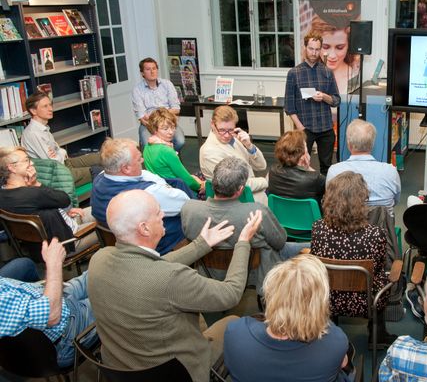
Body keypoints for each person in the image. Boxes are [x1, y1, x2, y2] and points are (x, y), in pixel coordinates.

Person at [88, 189, 262, 381]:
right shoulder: (170, 279)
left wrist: (201, 245)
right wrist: (244, 242)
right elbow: (230, 294)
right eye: (157, 212)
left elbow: (153, 265)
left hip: (121, 368)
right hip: (178, 373)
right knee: (232, 321)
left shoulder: (99, 258)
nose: (163, 214)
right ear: (144, 228)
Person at [181, 157, 308, 297]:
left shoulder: (189, 209)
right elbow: (280, 241)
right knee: (311, 245)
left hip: (210, 274)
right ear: (241, 189)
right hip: (257, 273)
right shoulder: (256, 212)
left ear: (214, 183)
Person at [224, 254, 350, 382]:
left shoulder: (235, 332)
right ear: (319, 304)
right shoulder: (335, 342)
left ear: (270, 294)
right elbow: (343, 363)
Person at [311, 171, 395, 347]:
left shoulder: (318, 229)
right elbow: (379, 268)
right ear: (362, 201)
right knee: (381, 276)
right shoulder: (375, 234)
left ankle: (329, 332)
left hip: (328, 298)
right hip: (367, 301)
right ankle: (377, 335)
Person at [0, 238, 97, 368]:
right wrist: (54, 264)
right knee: (116, 292)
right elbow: (52, 315)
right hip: (67, 333)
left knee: (100, 267)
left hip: (51, 300)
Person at [91, 138, 190, 254]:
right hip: (157, 246)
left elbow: (144, 174)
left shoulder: (100, 177)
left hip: (117, 244)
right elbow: (185, 203)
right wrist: (163, 185)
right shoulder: (148, 193)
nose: (142, 160)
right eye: (138, 159)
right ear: (126, 168)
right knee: (193, 212)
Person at [0, 146, 97, 254]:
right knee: (109, 222)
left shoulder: (3, 194)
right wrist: (35, 184)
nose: (31, 163)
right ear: (12, 168)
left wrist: (62, 212)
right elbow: (65, 199)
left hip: (44, 245)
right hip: (69, 241)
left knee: (100, 210)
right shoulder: (32, 193)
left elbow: (40, 213)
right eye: (26, 160)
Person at [285, 30, 341, 175]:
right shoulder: (294, 73)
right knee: (300, 166)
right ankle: (302, 195)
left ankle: (325, 196)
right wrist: (301, 128)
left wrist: (324, 96)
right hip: (305, 129)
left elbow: (336, 100)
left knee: (326, 167)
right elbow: (289, 107)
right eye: (311, 49)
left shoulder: (327, 72)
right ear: (305, 48)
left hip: (326, 128)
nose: (314, 53)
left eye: (317, 49)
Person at [21, 91, 102, 187]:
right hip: (58, 175)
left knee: (102, 158)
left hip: (64, 163)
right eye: (45, 106)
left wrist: (59, 153)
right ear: (33, 111)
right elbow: (54, 162)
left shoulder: (43, 128)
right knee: (101, 170)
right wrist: (61, 152)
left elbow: (57, 152)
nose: (50, 109)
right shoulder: (33, 133)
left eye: (50, 105)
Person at [327, 119, 401, 214]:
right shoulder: (391, 171)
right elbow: (395, 201)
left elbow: (331, 201)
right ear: (372, 144)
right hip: (382, 226)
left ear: (349, 144)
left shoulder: (334, 171)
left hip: (346, 227)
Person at [199, 105, 268, 204]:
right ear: (212, 125)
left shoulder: (235, 139)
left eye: (230, 130)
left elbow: (261, 166)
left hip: (249, 191)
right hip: (237, 200)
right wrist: (265, 181)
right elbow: (234, 184)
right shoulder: (209, 151)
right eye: (222, 130)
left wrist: (249, 146)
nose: (227, 135)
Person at [143, 108, 204, 192]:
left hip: (160, 188)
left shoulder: (147, 146)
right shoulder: (167, 151)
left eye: (173, 127)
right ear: (154, 129)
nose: (171, 132)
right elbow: (187, 180)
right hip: (178, 190)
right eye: (165, 129)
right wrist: (200, 186)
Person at [132, 57, 185, 151]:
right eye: (148, 69)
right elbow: (142, 117)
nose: (152, 72)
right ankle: (158, 162)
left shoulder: (167, 84)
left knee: (180, 141)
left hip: (168, 122)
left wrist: (159, 116)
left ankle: (167, 158)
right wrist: (157, 130)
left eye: (154, 68)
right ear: (142, 73)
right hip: (149, 125)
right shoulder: (137, 90)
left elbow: (176, 109)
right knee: (146, 145)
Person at [267, 129, 326, 204]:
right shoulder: (315, 178)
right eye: (305, 146)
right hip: (309, 216)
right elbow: (328, 188)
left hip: (280, 215)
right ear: (301, 154)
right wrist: (308, 168)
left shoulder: (272, 171)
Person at [310, 16, 359, 95]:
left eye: (339, 48)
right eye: (325, 47)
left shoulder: (354, 78)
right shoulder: (308, 74)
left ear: (348, 46)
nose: (332, 55)